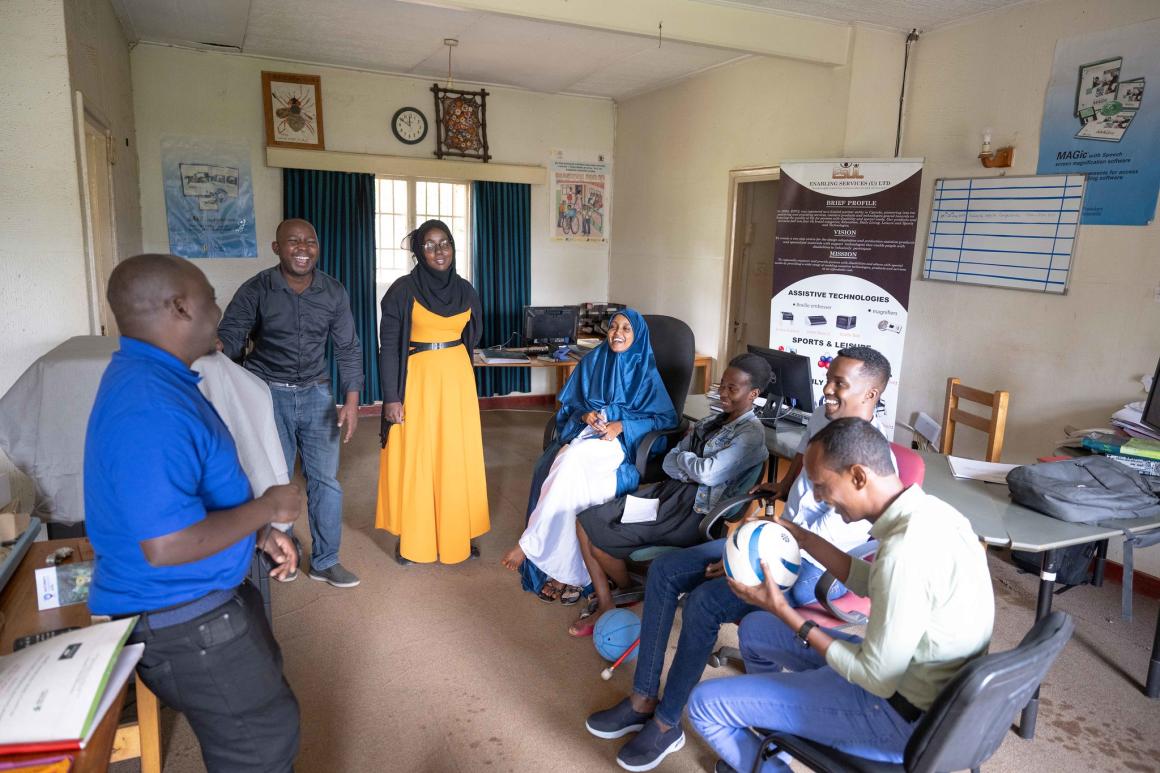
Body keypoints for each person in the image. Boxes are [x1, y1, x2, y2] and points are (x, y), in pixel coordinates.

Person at [584, 345, 892, 772]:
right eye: (829, 380)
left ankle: (667, 721)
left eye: (840, 384)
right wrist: (782, 488)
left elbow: (825, 541)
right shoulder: (826, 416)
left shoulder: (870, 458)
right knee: (668, 570)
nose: (828, 391)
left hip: (811, 565)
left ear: (872, 394)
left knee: (706, 601)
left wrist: (740, 558)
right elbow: (803, 456)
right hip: (780, 536)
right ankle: (642, 697)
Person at [86, 254, 303, 772]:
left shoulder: (159, 379)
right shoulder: (148, 407)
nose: (219, 310)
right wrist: (268, 506)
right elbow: (169, 544)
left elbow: (189, 495)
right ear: (180, 308)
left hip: (204, 605)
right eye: (210, 298)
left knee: (264, 722)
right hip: (187, 623)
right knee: (259, 746)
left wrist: (255, 532)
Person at [688, 418, 995, 772]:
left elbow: (874, 677)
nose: (817, 497)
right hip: (920, 687)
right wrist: (802, 537)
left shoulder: (903, 552)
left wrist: (785, 612)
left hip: (896, 716)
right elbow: (871, 581)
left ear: (859, 477)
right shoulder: (934, 513)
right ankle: (777, 747)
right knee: (757, 627)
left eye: (821, 486)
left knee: (704, 705)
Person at [570, 354, 771, 637]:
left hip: (691, 512)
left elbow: (708, 474)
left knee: (600, 541)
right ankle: (622, 593)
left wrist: (687, 462)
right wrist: (692, 465)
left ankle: (613, 600)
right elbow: (669, 462)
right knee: (583, 521)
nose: (722, 393)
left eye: (732, 388)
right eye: (722, 385)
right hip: (668, 493)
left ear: (753, 394)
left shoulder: (750, 434)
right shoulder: (712, 421)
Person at [218, 218, 363, 588]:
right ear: (277, 248)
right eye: (293, 241)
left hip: (317, 393)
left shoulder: (333, 291)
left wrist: (351, 401)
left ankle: (327, 561)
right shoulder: (257, 289)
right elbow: (231, 335)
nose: (303, 248)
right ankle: (281, 548)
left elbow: (348, 347)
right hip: (267, 394)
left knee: (325, 481)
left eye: (310, 241)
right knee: (272, 479)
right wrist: (211, 349)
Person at [501, 310, 677, 602]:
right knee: (584, 492)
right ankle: (571, 573)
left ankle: (529, 544)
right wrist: (586, 414)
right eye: (613, 327)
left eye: (626, 329)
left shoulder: (645, 372)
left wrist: (624, 425)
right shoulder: (594, 360)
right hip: (587, 436)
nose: (618, 333)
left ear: (637, 336)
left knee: (568, 461)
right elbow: (569, 408)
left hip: (617, 443)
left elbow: (665, 420)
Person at [375, 219, 489, 564]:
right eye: (429, 244)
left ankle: (457, 534)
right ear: (418, 251)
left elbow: (473, 334)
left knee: (456, 458)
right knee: (419, 458)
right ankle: (414, 538)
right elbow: (389, 347)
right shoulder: (402, 290)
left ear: (453, 247)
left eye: (445, 243)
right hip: (417, 383)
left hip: (457, 383)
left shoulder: (466, 289)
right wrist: (391, 399)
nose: (439, 251)